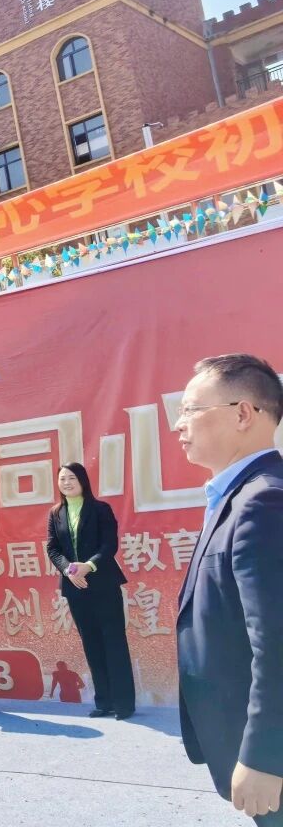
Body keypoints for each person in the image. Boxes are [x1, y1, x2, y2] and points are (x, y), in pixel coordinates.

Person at [174, 353, 283, 824]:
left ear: (243, 414)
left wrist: (266, 756)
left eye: (190, 409)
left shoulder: (265, 501)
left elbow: (277, 641)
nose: (179, 424)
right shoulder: (237, 497)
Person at [45, 462, 134, 720]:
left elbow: (109, 544)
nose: (67, 483)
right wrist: (68, 570)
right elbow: (52, 548)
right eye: (62, 479)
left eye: (72, 478)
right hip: (75, 587)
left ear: (83, 480)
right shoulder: (55, 513)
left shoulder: (100, 509)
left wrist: (89, 566)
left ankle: (124, 704)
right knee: (91, 644)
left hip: (103, 583)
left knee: (113, 642)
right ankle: (103, 702)